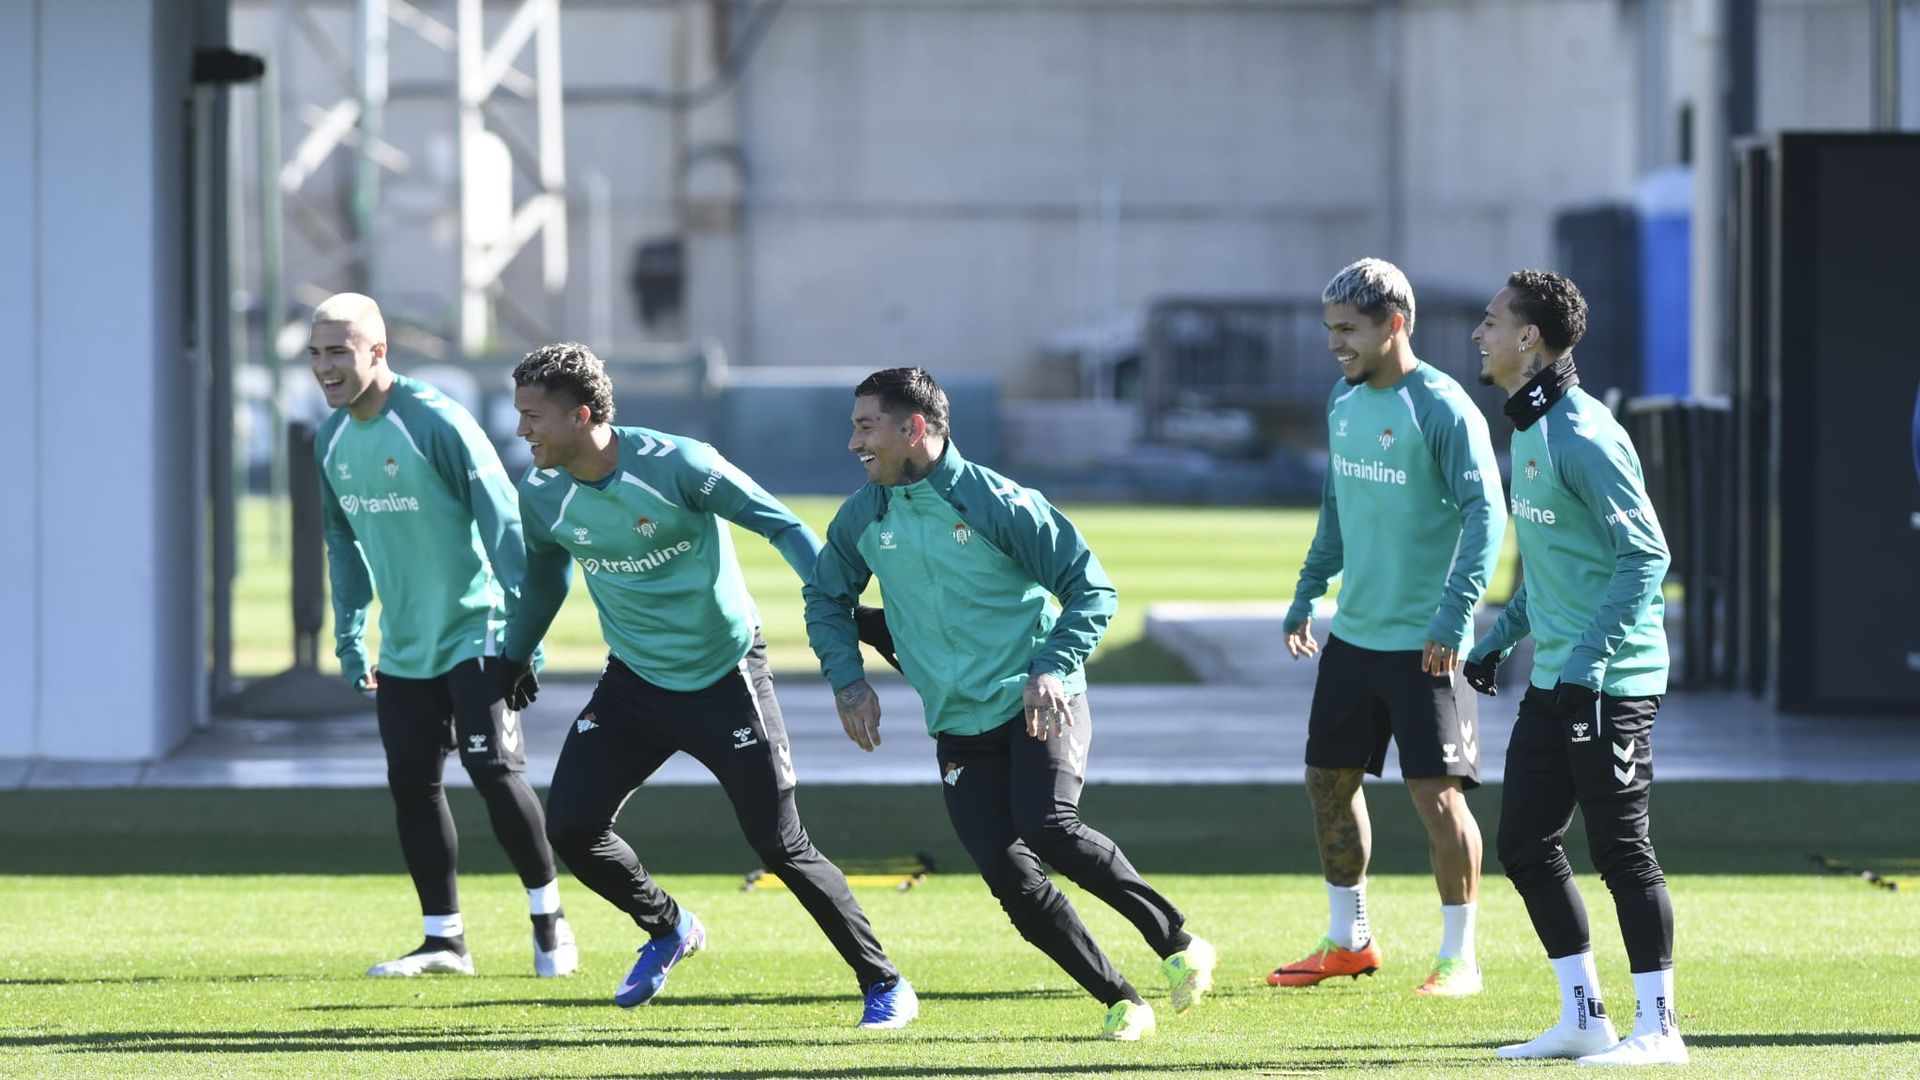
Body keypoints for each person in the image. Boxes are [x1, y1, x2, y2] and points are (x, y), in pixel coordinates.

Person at [497, 342, 916, 1029]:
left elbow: (781, 525)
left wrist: (845, 607)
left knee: (781, 846)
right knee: (571, 827)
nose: (521, 430)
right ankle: (669, 926)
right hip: (634, 683)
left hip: (727, 676)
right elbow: (545, 578)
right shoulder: (541, 491)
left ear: (581, 416)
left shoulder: (680, 464)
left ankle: (885, 983)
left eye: (533, 416)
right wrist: (515, 655)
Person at [803, 367, 1216, 1042]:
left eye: (866, 426)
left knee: (1049, 826)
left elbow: (1091, 588)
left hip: (1039, 702)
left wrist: (1052, 667)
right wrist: (849, 682)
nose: (855, 443)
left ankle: (1177, 942)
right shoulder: (864, 515)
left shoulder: (998, 502)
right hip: (956, 722)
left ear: (914, 428)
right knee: (1008, 875)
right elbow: (826, 597)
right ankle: (1121, 1001)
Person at [310, 292, 575, 978]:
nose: (325, 367)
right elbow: (341, 544)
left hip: (476, 629)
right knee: (413, 785)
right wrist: (349, 633)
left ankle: (550, 922)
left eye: (339, 352)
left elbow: (503, 520)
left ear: (378, 351)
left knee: (493, 772)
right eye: (315, 354)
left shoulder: (435, 420)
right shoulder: (330, 441)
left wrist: (524, 632)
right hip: (404, 644)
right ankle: (444, 941)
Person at [1465, 269, 1685, 1066]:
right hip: (1558, 679)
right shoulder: (1530, 427)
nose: (1480, 335)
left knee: (1622, 851)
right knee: (1525, 844)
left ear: (1529, 338)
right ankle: (1584, 1018)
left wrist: (1590, 662)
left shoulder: (1584, 434)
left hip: (1611, 681)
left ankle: (1659, 1029)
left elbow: (1646, 555)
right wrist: (1499, 638)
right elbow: (1557, 566)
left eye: (1492, 322)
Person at [1270, 258, 1506, 997]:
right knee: (1327, 782)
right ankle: (1350, 941)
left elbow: (1487, 516)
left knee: (1437, 797)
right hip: (1355, 637)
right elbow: (1336, 508)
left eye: (1347, 329)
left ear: (1393, 324)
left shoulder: (1441, 407)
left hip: (1427, 645)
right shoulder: (1343, 401)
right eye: (1329, 328)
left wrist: (1455, 614)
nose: (1334, 343)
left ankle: (1459, 958)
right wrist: (1308, 590)